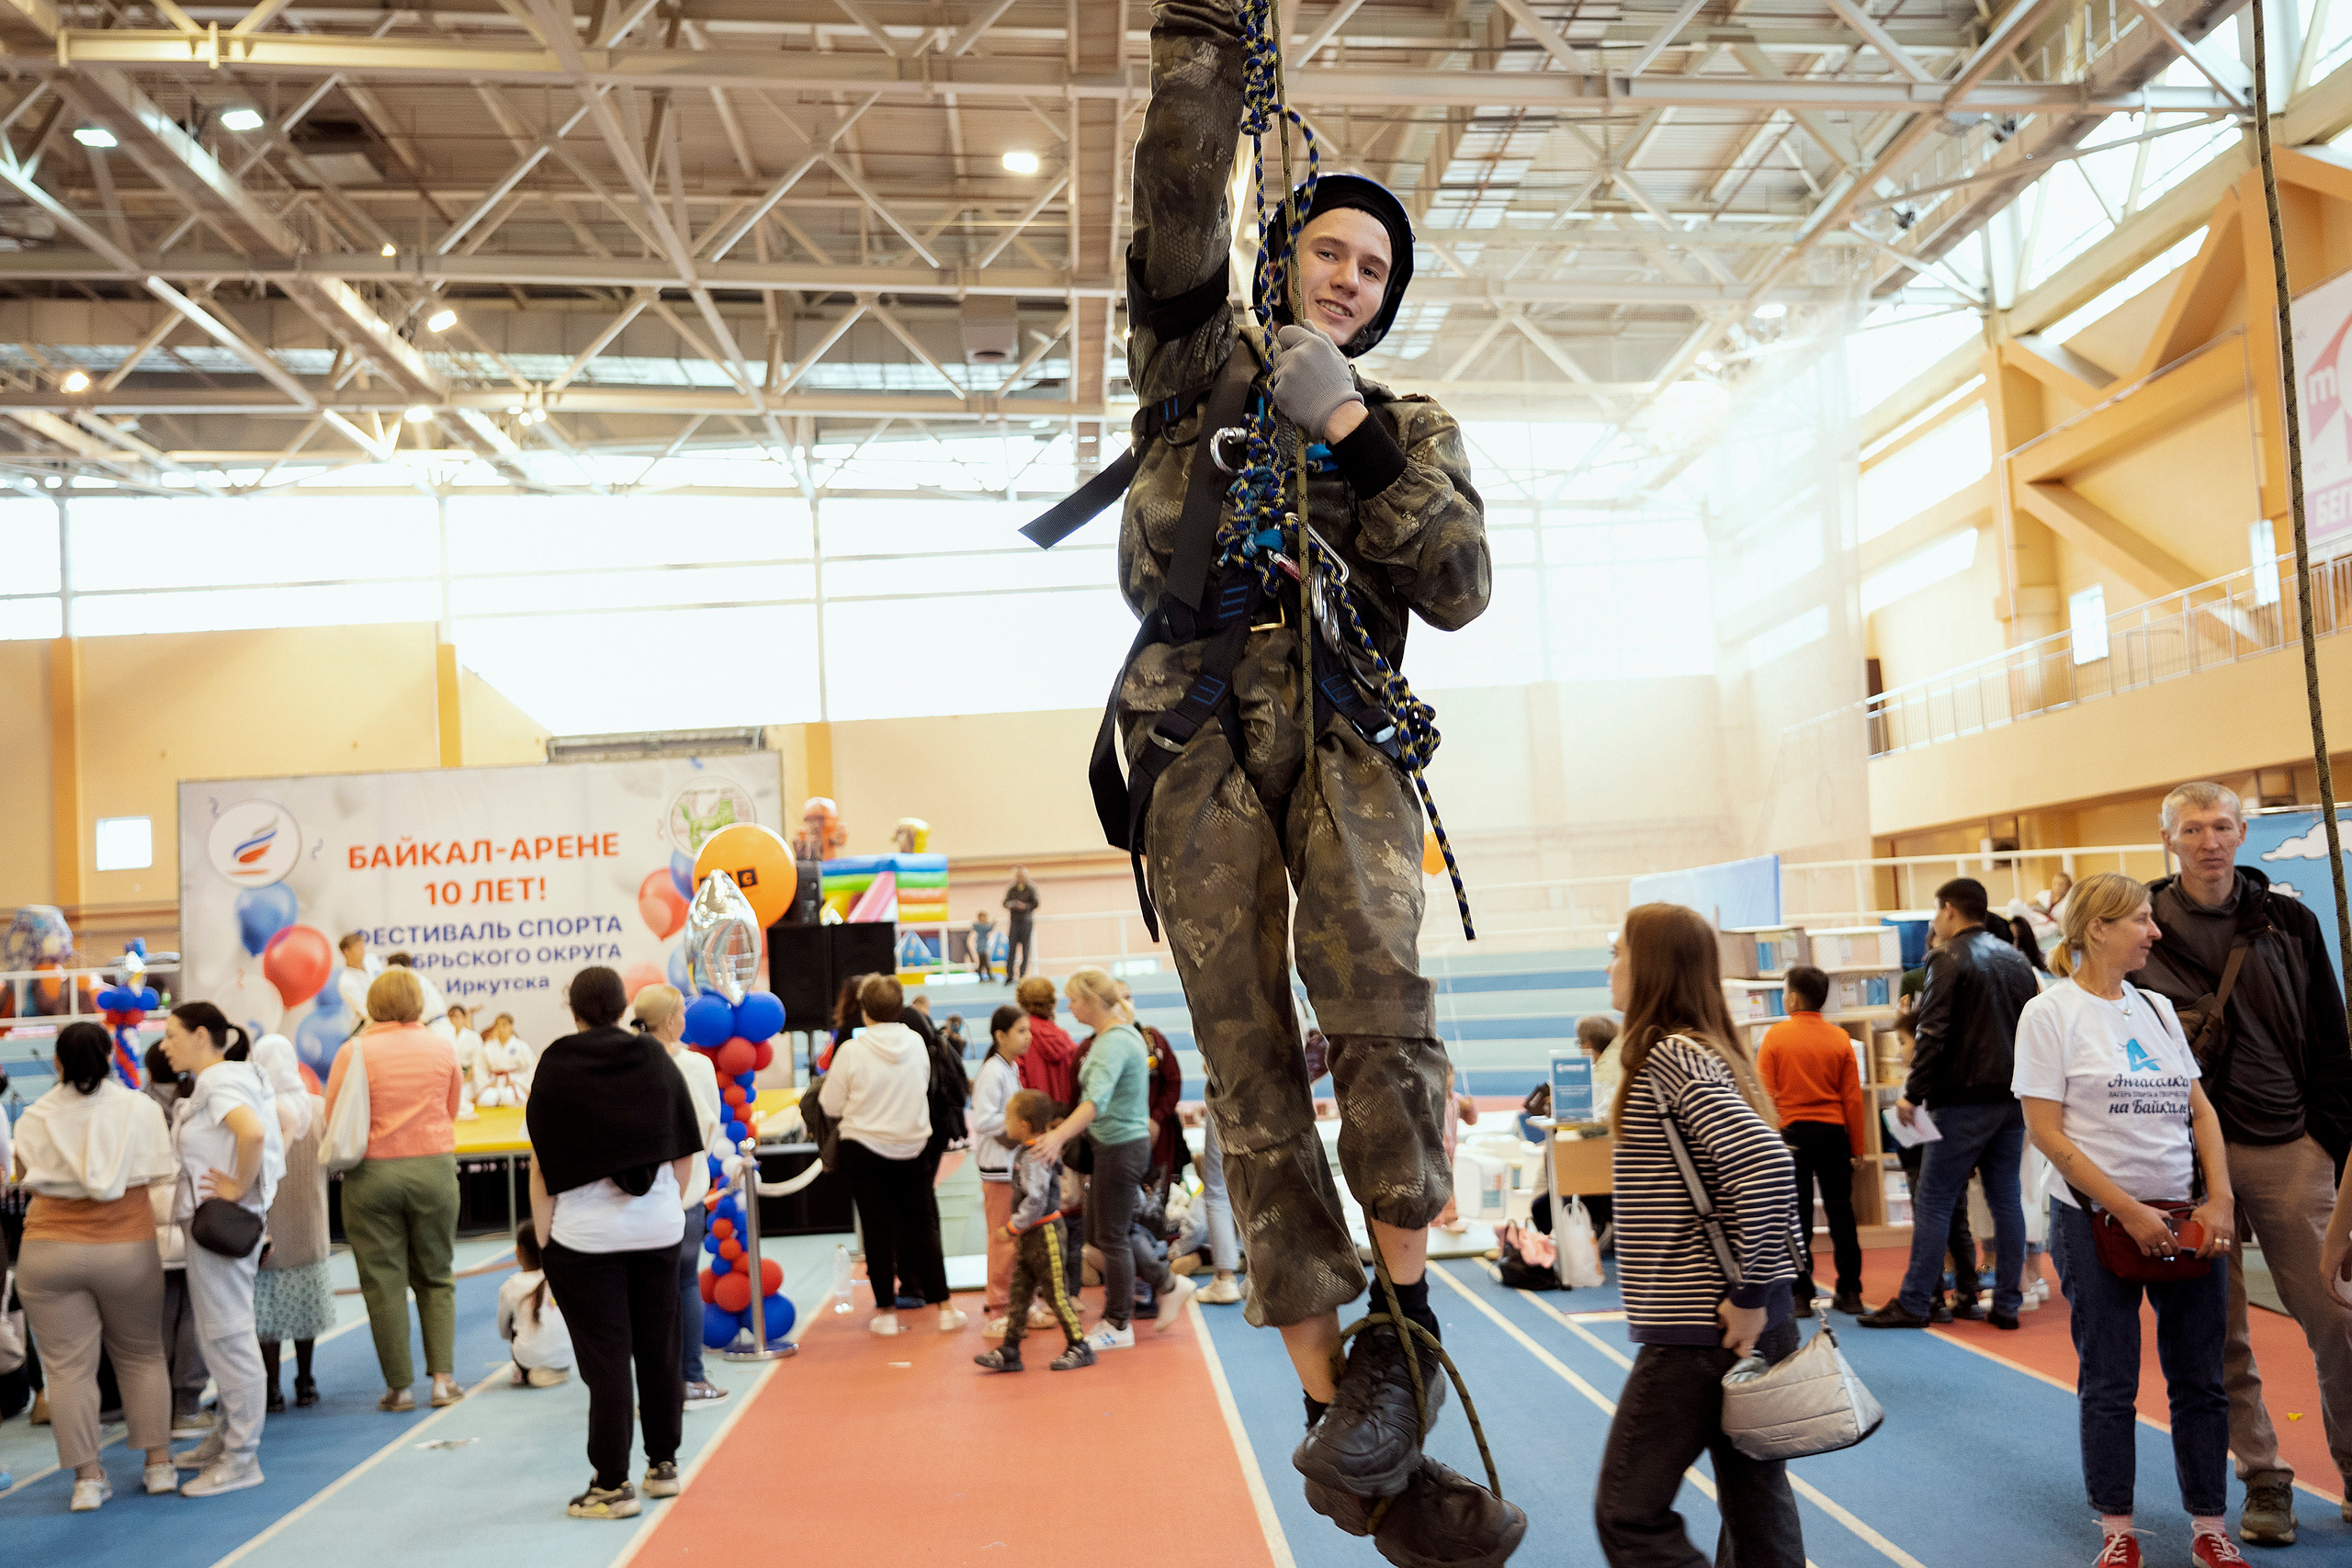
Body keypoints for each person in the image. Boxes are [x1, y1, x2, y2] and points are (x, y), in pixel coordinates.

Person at [1076, 5, 1498, 1550]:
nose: (1352, 276)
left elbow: (1454, 583)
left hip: (1350, 717)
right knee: (1244, 1060)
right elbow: (1174, 202)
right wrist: (1202, 46)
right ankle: (1340, 1417)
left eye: (1378, 272)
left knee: (1381, 991)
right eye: (1331, 249)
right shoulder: (1194, 363)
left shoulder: (1414, 422)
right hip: (1194, 730)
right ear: (1284, 253)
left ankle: (1399, 1338)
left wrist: (1356, 435)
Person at [2131, 781, 2352, 1543]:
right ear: (2169, 839)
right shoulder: (2141, 927)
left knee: (2337, 1314)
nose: (2209, 840)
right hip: (2184, 1163)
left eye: (2221, 824)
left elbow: (2331, 1034)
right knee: (2216, 1332)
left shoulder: (2288, 919)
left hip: (2288, 1144)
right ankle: (2264, 1478)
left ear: (2243, 831)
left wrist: (2327, 1138)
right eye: (2192, 828)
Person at [2016, 873, 2240, 1567]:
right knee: (2110, 1379)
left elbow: (2199, 1110)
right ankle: (2117, 1527)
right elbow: (2048, 1134)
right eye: (2142, 919)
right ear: (2096, 929)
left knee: (2200, 1378)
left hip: (2183, 1216)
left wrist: (2221, 1196)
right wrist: (2127, 1208)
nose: (2155, 930)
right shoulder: (2049, 1014)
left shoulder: (2158, 1009)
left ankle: (2210, 1523)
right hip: (2093, 1223)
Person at [1594, 904, 1801, 1566]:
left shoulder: (1671, 1056)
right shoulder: (1705, 1051)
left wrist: (1748, 1292)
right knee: (1755, 1506)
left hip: (1704, 1325)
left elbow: (1767, 1164)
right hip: (1737, 1316)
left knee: (1628, 1511)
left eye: (1620, 950)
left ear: (1650, 962)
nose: (1611, 965)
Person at [526, 965, 705, 1520]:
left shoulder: (557, 1063)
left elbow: (541, 1165)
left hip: (585, 1238)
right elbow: (683, 1153)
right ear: (625, 1005)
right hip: (656, 1229)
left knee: (607, 1362)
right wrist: (663, 1210)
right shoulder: (654, 1057)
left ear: (573, 1009)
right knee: (659, 1346)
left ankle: (610, 1484)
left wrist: (544, 1238)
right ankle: (663, 1465)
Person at [10, 1021, 178, 1512]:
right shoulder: (139, 1108)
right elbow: (162, 1171)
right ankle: (159, 1465)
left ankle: (87, 1479)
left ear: (57, 1063)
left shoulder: (34, 1116)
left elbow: (23, 1177)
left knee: (67, 1371)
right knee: (142, 1355)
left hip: (48, 1250)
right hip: (127, 1247)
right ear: (110, 1058)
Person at [1860, 877, 2037, 1331]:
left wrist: (1912, 1094)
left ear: (1949, 911)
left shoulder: (1947, 957)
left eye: (1937, 912)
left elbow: (1932, 1031)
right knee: (2006, 1200)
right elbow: (2035, 1032)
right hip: (2013, 1098)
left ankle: (1916, 1301)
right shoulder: (2016, 960)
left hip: (1962, 1098)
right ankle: (2008, 1303)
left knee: (1934, 1198)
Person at [323, 967, 466, 1413]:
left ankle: (399, 1388)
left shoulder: (354, 1051)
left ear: (371, 1004)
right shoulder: (443, 1046)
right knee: (437, 1276)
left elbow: (334, 1117)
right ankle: (443, 1381)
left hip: (372, 1175)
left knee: (383, 1283)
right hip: (434, 1170)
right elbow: (452, 1108)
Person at [1032, 967, 1192, 1351]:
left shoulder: (1112, 1043)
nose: (1068, 1007)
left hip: (1121, 1147)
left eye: (1073, 999)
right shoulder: (1118, 1035)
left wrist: (1058, 1136)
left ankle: (1119, 1322)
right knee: (1107, 1232)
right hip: (1116, 1146)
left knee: (1112, 1238)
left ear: (1090, 1001)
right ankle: (1168, 1283)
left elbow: (1094, 1102)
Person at [161, 1000, 284, 1497]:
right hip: (214, 1225)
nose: (164, 1045)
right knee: (218, 1336)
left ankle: (242, 1456)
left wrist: (237, 1186)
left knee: (229, 1336)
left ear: (201, 1035)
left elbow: (251, 1132)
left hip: (221, 1223)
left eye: (171, 1035)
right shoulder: (224, 1079)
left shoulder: (217, 1081)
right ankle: (228, 1436)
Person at [818, 975, 964, 1337]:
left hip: (863, 1148)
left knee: (876, 1228)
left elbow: (829, 1103)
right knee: (923, 1224)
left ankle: (884, 1311)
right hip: (912, 1147)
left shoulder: (852, 1051)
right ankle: (944, 1306)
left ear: (864, 1011)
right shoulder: (916, 1042)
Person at [633, 985, 729, 1409]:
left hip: (636, 1193)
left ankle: (655, 1383)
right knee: (685, 1280)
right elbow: (707, 1129)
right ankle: (690, 1377)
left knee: (646, 1289)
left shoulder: (625, 1061)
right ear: (672, 1020)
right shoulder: (695, 1066)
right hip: (684, 1191)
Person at [1757, 965, 1869, 1316]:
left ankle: (1800, 1295)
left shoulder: (1775, 1036)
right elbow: (1853, 1099)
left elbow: (1765, 1095)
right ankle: (1850, 1291)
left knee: (1797, 1215)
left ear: (1791, 997)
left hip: (1791, 1135)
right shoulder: (1839, 1039)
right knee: (1842, 1213)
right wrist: (1857, 1147)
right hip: (1833, 1132)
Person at [974, 1090, 1095, 1374]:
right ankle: (1010, 1349)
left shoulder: (1035, 1155)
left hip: (1045, 1234)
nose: (1005, 1122)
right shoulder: (1027, 1150)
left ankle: (1079, 1344)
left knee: (1055, 1293)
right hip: (1031, 1236)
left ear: (1025, 1126)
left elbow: (1036, 1198)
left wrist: (1013, 1226)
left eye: (1008, 1117)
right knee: (1019, 1292)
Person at [249, 1035, 331, 1414]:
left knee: (266, 1312)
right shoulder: (316, 1107)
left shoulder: (256, 1111)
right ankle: (307, 1380)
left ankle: (270, 1389)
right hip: (310, 1221)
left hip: (268, 1227)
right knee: (306, 1309)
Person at [141, 1040, 209, 1437]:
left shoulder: (136, 1107)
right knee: (195, 1316)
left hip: (149, 1227)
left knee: (160, 1319)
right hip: (191, 1218)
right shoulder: (199, 1100)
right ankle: (186, 1406)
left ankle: (160, 1407)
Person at [972, 1005, 1033, 1337]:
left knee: (1017, 1236)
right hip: (997, 1168)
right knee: (1002, 1238)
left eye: (1028, 1030)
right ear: (1000, 1036)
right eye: (1021, 1031)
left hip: (1012, 1166)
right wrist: (1019, 1126)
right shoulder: (993, 1072)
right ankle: (999, 1309)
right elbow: (982, 1120)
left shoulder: (1010, 1068)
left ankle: (1018, 1304)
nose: (1029, 1037)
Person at [498, 1222, 573, 1389]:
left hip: (529, 1358)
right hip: (566, 1355)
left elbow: (504, 1332)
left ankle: (526, 1371)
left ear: (518, 1252)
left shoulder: (511, 1285)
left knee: (515, 1321)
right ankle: (557, 1369)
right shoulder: (560, 1278)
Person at [1012, 976, 1080, 1105]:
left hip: (1033, 1116)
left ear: (1021, 1002)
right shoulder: (1065, 1039)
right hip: (1065, 1117)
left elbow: (1017, 1083)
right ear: (1052, 1002)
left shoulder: (1021, 1038)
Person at [479, 1012, 537, 1104]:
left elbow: (531, 1067)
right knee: (485, 1101)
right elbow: (480, 1068)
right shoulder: (489, 1046)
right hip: (494, 1082)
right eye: (498, 1025)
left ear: (511, 1026)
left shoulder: (520, 1045)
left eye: (504, 1025)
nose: (501, 1028)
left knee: (509, 1099)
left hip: (513, 1082)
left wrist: (518, 1081)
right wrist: (487, 1082)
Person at [447, 1006, 484, 1119]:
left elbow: (478, 1063)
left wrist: (464, 1079)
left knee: (460, 1099)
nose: (454, 1020)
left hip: (468, 1079)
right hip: (449, 1078)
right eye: (452, 1017)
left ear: (464, 1018)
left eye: (458, 1017)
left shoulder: (473, 1037)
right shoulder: (443, 1036)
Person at [1002, 868, 1039, 980]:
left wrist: (1025, 906)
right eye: (1018, 876)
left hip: (1026, 922)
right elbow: (1005, 903)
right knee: (1011, 949)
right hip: (1014, 923)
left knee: (1025, 950)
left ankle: (1022, 975)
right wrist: (1012, 905)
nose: (1020, 878)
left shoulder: (1031, 888)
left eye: (1022, 875)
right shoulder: (1012, 889)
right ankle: (1010, 975)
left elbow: (1036, 903)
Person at [336, 931, 375, 1020]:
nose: (363, 950)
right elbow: (367, 1012)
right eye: (358, 947)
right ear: (346, 952)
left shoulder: (372, 959)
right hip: (366, 1027)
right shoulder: (346, 982)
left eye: (363, 946)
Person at [972, 909, 998, 982]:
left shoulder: (978, 926)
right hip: (981, 948)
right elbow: (988, 929)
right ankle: (988, 976)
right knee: (985, 963)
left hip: (983, 947)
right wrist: (993, 923)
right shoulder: (980, 927)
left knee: (982, 963)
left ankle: (982, 976)